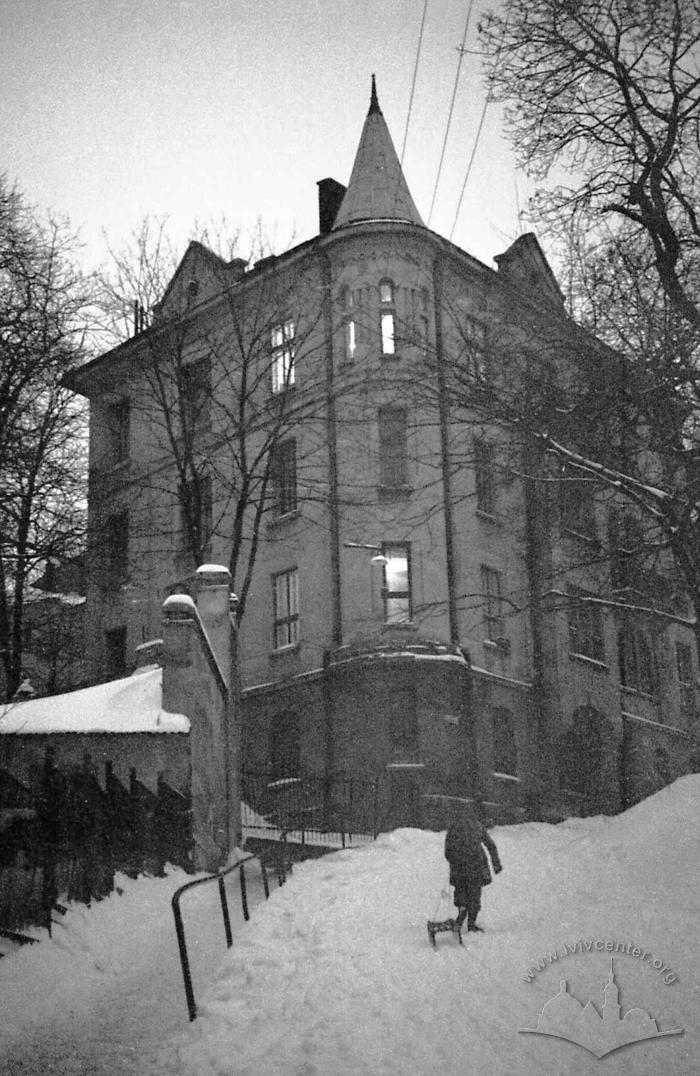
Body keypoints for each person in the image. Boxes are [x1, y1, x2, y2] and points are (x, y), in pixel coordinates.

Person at [444, 802, 501, 933]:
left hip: (459, 869)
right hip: (476, 867)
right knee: (474, 895)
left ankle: (461, 914)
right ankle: (471, 924)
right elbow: (491, 845)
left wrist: (454, 860)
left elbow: (447, 850)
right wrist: (496, 864)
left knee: (461, 893)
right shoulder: (477, 826)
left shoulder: (453, 827)